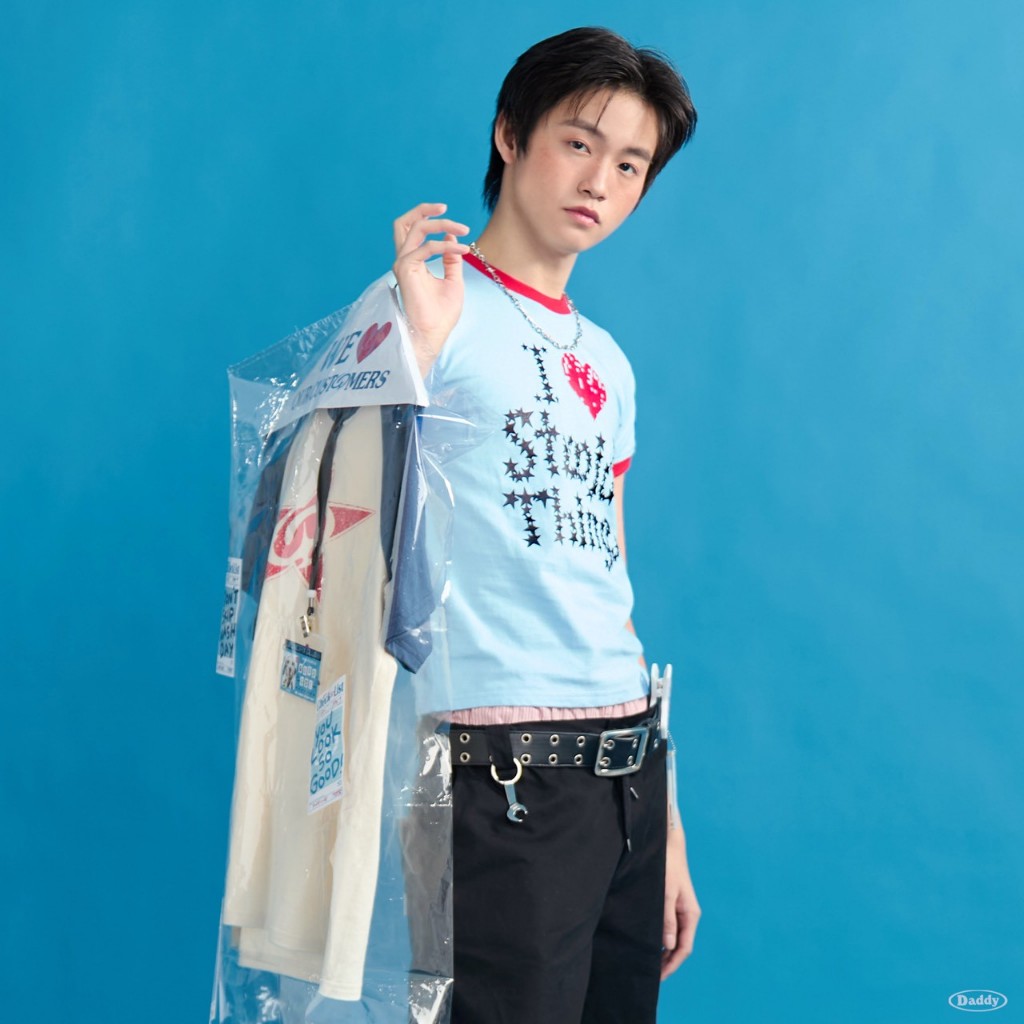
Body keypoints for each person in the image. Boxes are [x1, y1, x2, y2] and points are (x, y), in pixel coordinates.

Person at [392, 27, 700, 1024]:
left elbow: (606, 586)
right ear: (510, 135)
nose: (600, 182)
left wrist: (664, 825)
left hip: (627, 774)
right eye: (578, 143)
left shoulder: (607, 361)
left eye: (630, 164)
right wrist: (410, 348)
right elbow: (333, 527)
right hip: (498, 773)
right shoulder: (426, 308)